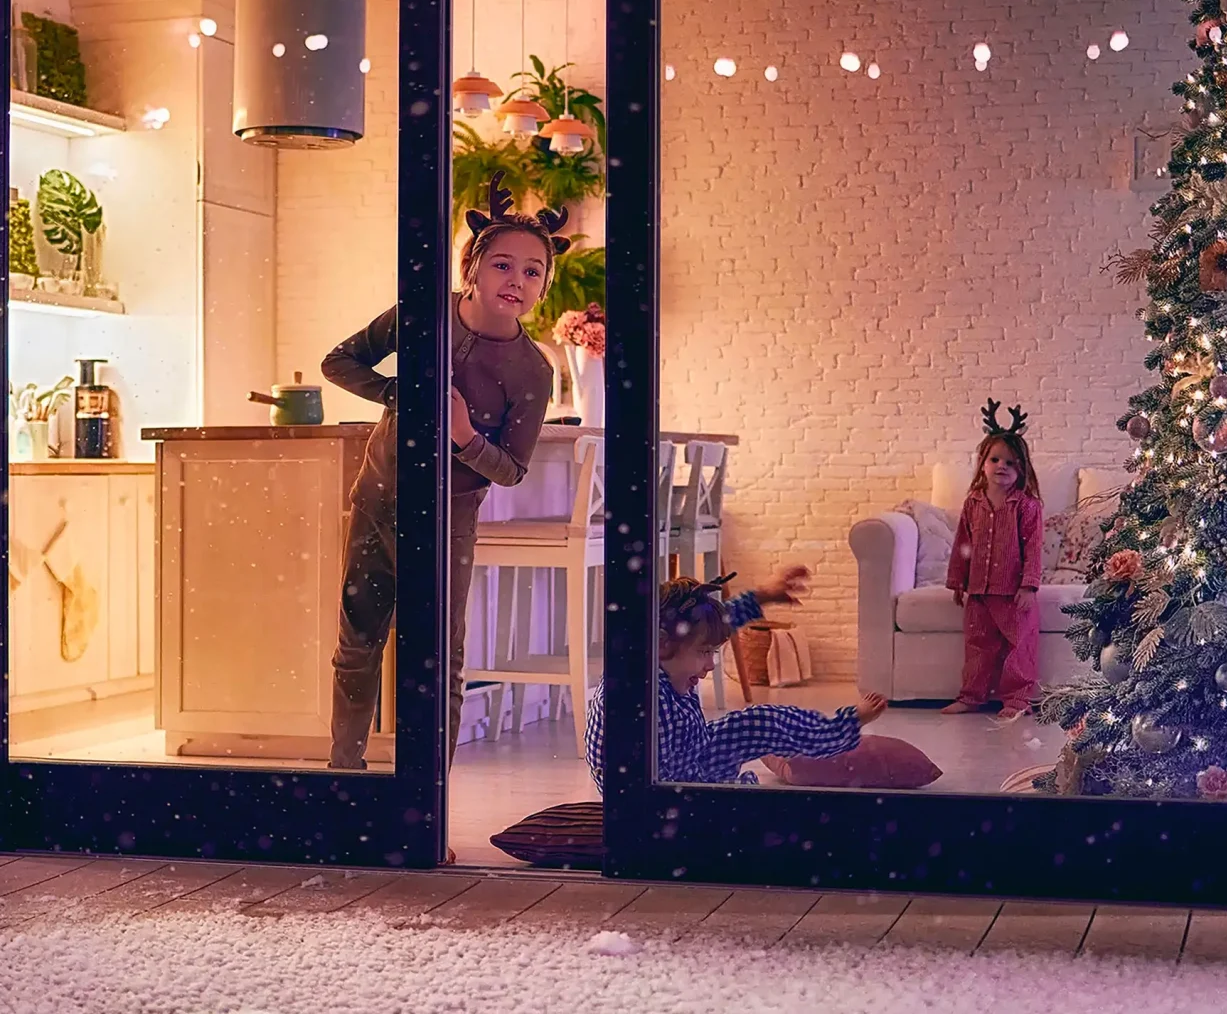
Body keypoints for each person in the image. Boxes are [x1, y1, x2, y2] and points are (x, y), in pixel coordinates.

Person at [321, 182, 563, 771]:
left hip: (447, 524)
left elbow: (509, 470)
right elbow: (339, 361)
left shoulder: (532, 371)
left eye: (533, 272)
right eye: (503, 264)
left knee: (436, 662)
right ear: (473, 267)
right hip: (378, 503)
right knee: (357, 647)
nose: (517, 280)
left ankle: (429, 801)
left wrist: (464, 437)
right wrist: (401, 394)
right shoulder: (421, 315)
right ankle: (343, 778)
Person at [583, 567, 890, 789]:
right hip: (660, 796)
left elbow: (719, 623)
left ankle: (841, 726)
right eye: (705, 652)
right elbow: (652, 788)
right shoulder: (638, 694)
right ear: (661, 643)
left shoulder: (669, 658)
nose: (710, 664)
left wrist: (761, 596)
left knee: (760, 721)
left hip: (690, 757)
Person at [943, 401, 1044, 723]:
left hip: (1013, 591)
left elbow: (1034, 548)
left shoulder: (1026, 506)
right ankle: (971, 696)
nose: (1002, 466)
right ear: (983, 463)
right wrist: (958, 581)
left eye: (1011, 463)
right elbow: (963, 544)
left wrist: (1029, 586)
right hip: (979, 590)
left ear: (1022, 469)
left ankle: (1017, 699)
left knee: (1019, 645)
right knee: (978, 645)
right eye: (995, 459)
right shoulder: (973, 502)